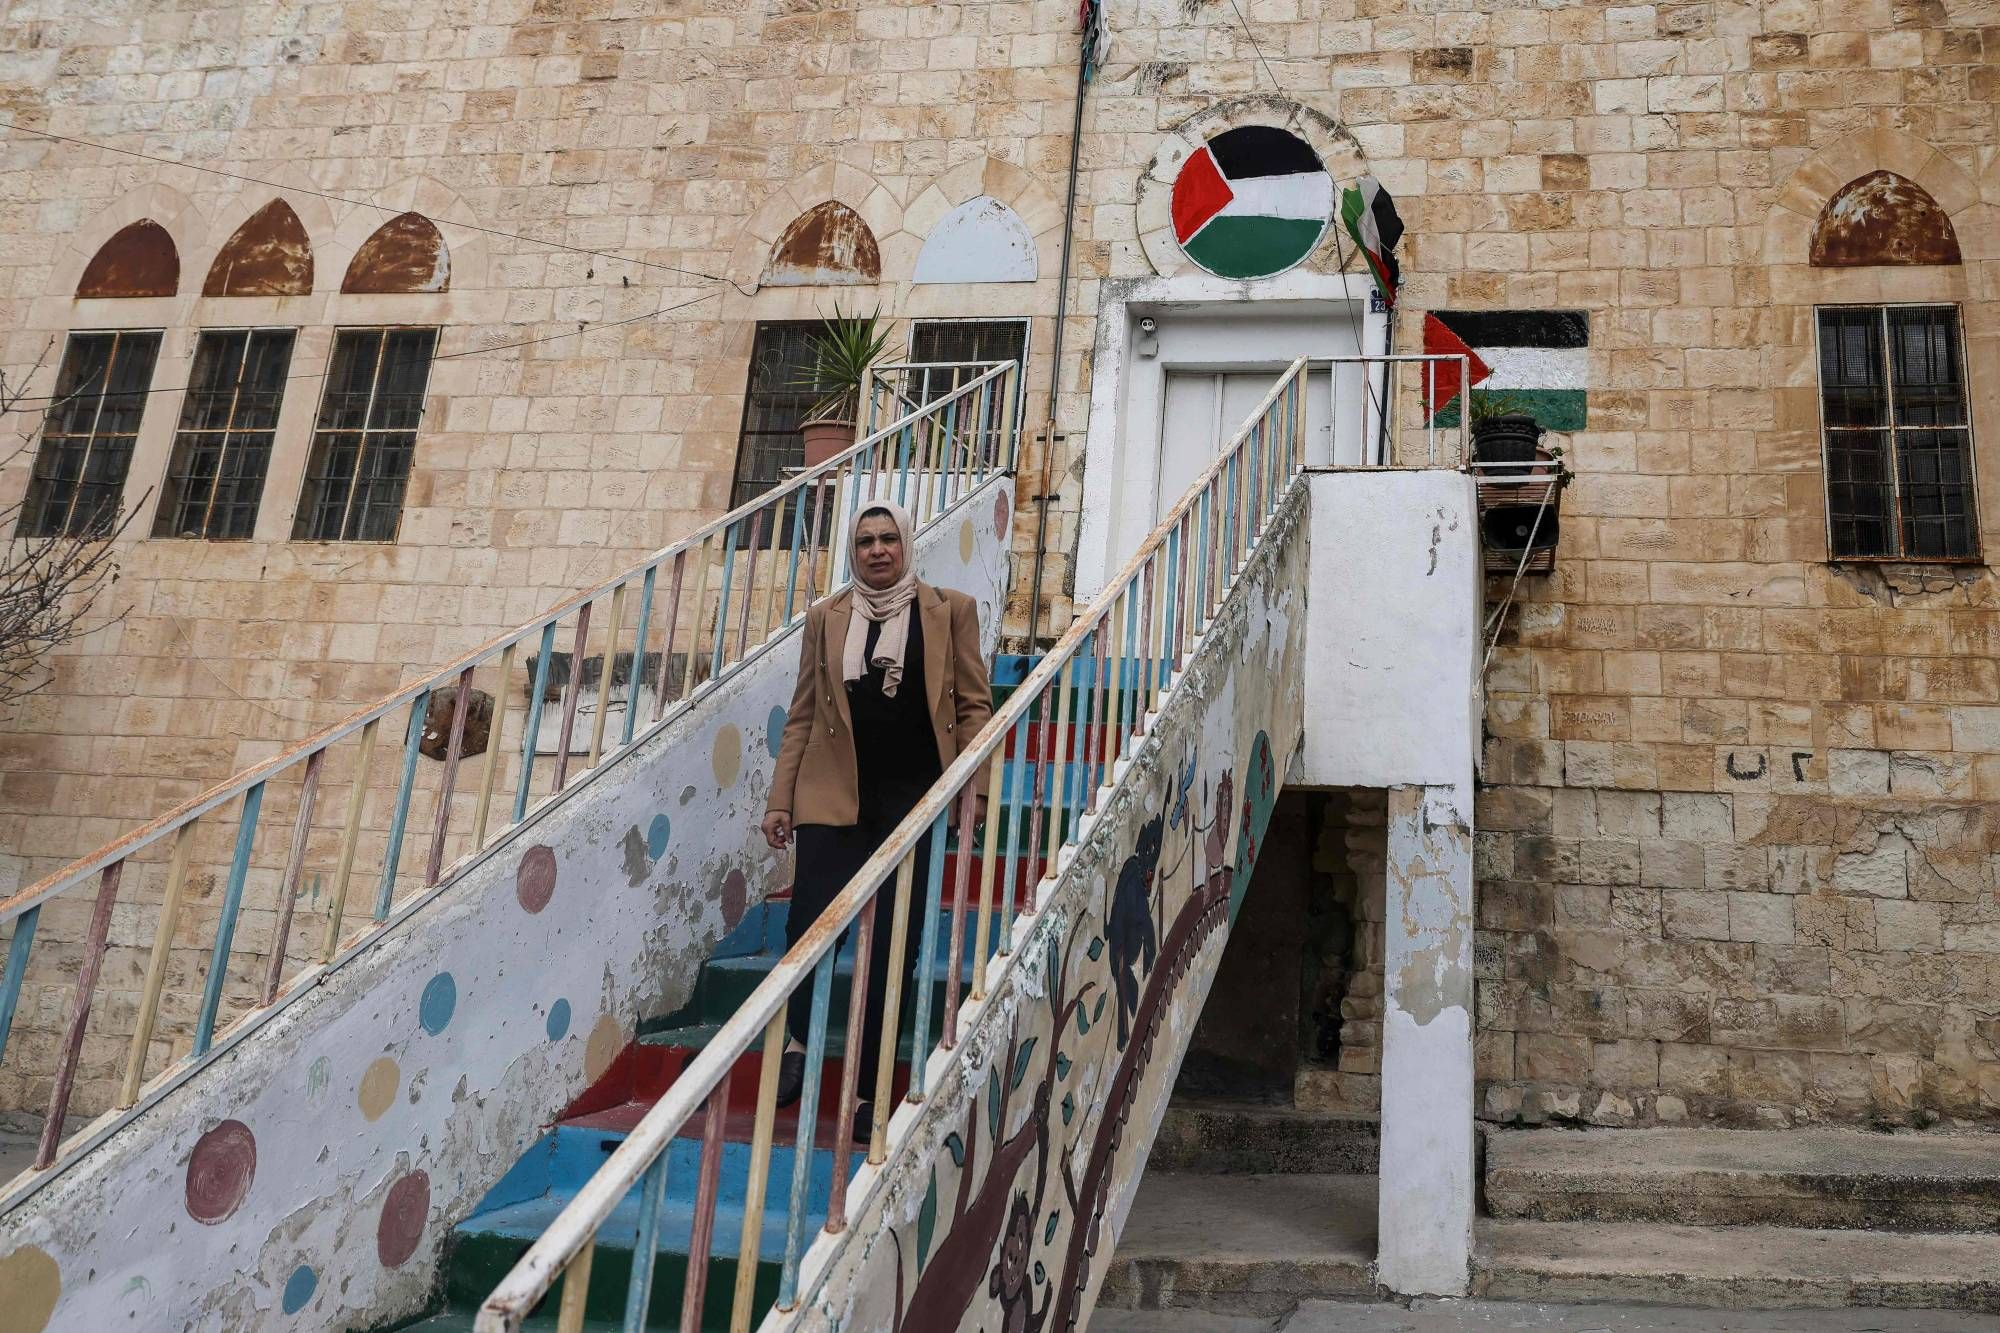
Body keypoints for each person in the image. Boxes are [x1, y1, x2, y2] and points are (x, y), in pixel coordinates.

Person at [762, 499, 992, 1142]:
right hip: (832, 797)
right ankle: (798, 1042)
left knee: (894, 945)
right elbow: (804, 714)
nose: (878, 550)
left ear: (906, 545)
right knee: (809, 926)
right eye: (865, 541)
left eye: (888, 538)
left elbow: (974, 707)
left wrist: (974, 792)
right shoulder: (826, 617)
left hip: (914, 803)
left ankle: (866, 1091)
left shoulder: (951, 611)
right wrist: (781, 800)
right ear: (853, 551)